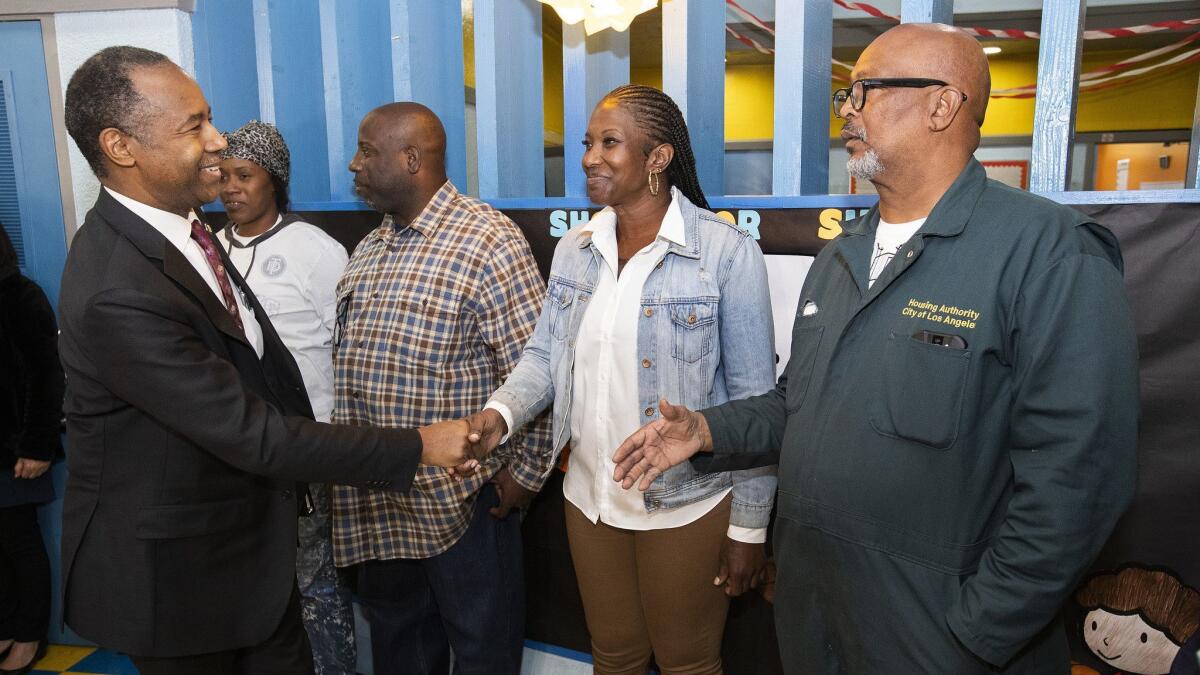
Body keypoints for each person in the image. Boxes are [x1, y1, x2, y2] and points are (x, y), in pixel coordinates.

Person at [612, 24, 1139, 673]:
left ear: (943, 105)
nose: (847, 110)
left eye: (865, 90)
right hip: (814, 613)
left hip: (939, 634)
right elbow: (797, 405)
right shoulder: (840, 256)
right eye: (845, 94)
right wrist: (703, 429)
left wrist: (979, 630)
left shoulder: (1050, 251)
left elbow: (1078, 478)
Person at [59, 46, 477, 674]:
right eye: (193, 126)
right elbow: (251, 434)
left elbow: (265, 366)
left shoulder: (188, 232)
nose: (218, 140)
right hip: (184, 585)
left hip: (250, 556)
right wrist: (418, 445)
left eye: (210, 119)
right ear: (122, 147)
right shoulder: (118, 287)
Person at [466, 84, 777, 675]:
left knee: (688, 663)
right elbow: (543, 358)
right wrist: (497, 417)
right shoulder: (575, 249)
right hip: (590, 499)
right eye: (587, 143)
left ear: (658, 158)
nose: (589, 157)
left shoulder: (725, 253)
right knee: (614, 659)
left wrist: (750, 526)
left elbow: (756, 403)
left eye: (610, 143)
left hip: (686, 503)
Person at [333, 102, 553, 675]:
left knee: (483, 652)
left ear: (411, 159)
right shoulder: (372, 247)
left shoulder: (486, 240)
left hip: (463, 506)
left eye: (366, 151)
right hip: (378, 502)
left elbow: (541, 366)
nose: (353, 164)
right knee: (401, 652)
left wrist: (524, 477)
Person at [215, 121, 356, 675]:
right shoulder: (206, 249)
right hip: (240, 448)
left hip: (305, 448)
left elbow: (349, 348)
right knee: (256, 584)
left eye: (243, 175)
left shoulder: (314, 250)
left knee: (315, 583)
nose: (230, 188)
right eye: (221, 175)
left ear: (274, 181)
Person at [0, 226, 61, 675]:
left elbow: (46, 376)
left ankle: (29, 636)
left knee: (20, 544)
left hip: (15, 450)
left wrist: (38, 444)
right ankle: (5, 626)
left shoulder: (21, 295)